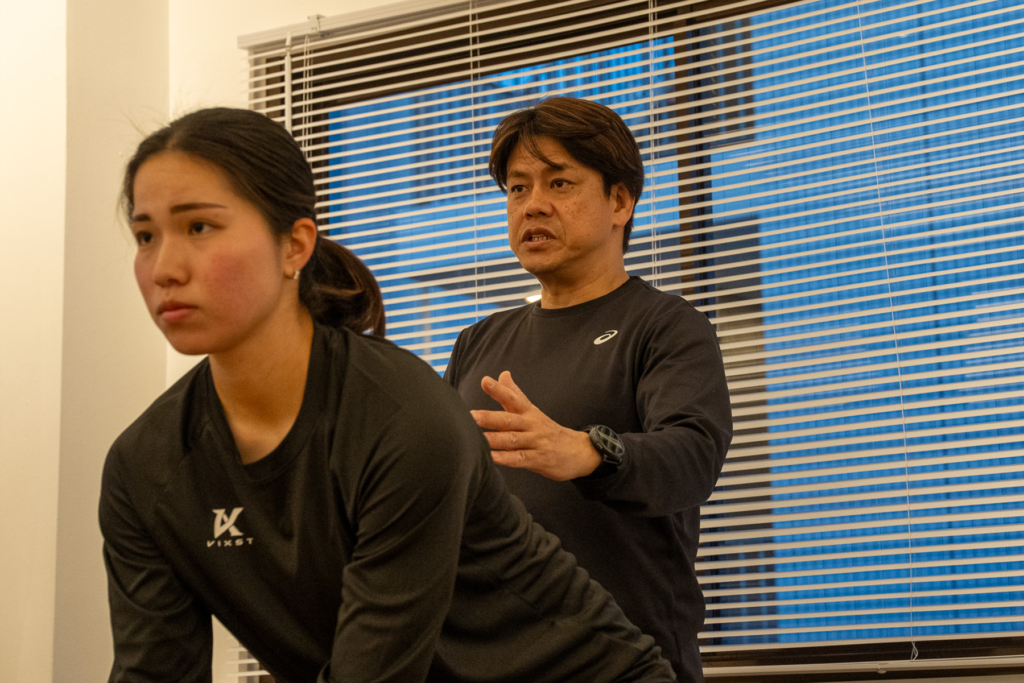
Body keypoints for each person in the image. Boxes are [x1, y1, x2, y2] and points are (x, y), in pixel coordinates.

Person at [99, 107, 678, 683]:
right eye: (145, 236)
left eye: (199, 227)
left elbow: (690, 455)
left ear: (295, 245)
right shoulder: (144, 465)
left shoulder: (404, 415)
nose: (164, 268)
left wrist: (591, 451)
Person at [444, 97, 733, 682]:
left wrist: (587, 451)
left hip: (627, 663)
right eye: (518, 188)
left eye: (559, 182)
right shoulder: (477, 341)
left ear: (620, 202)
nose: (533, 205)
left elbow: (692, 457)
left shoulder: (666, 325)